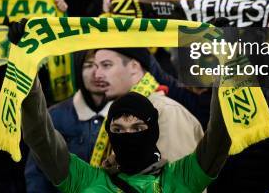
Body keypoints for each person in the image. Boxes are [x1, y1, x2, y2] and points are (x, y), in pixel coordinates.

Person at [21, 73, 231, 192]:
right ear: (109, 135)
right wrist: (27, 71)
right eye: (118, 129)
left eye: (138, 128)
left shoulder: (183, 178)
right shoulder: (85, 180)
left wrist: (227, 61)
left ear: (154, 131)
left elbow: (221, 135)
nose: (128, 135)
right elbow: (40, 138)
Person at [94, 47, 204, 162]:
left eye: (106, 65)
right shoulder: (121, 111)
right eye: (96, 67)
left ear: (134, 67)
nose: (97, 75)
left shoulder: (167, 112)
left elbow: (176, 177)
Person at [25, 51, 110, 192]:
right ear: (77, 69)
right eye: (89, 65)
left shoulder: (126, 115)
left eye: (105, 65)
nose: (97, 73)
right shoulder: (55, 115)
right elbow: (37, 172)